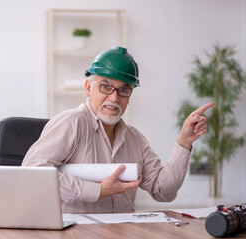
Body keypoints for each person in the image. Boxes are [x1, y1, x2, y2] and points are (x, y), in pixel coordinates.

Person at [22, 46, 214, 213]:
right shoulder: (71, 122)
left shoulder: (135, 139)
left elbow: (164, 191)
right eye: (106, 86)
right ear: (88, 88)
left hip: (125, 233)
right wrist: (99, 190)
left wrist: (184, 142)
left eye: (124, 90)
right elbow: (33, 173)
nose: (114, 98)